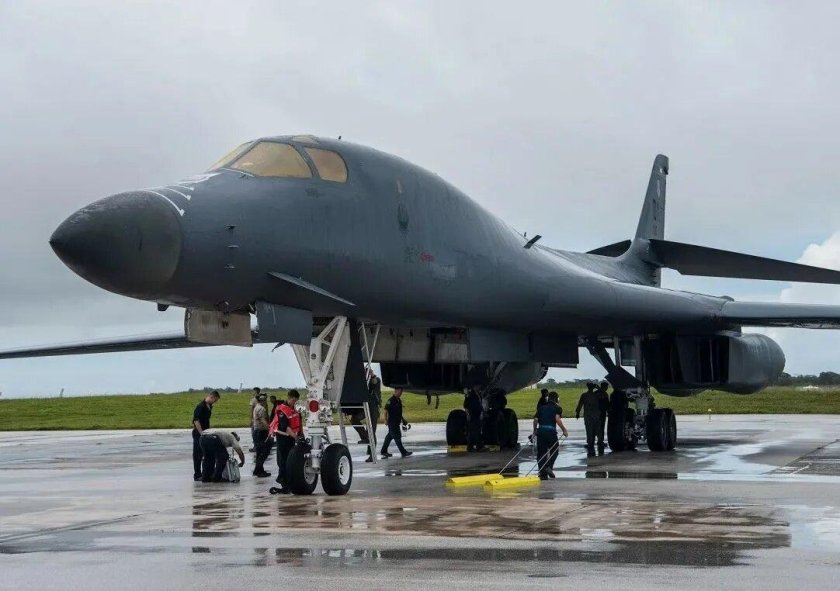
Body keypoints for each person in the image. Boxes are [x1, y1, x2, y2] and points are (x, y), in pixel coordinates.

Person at [269, 390, 302, 494]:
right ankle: (284, 483)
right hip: (283, 438)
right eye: (293, 400)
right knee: (283, 461)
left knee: (289, 461)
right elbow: (285, 427)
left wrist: (300, 435)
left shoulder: (293, 409)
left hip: (291, 438)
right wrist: (295, 437)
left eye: (296, 401)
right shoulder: (283, 410)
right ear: (289, 398)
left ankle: (287, 482)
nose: (294, 403)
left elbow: (298, 424)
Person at [534, 391, 568, 480]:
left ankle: (542, 473)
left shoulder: (541, 407)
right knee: (554, 450)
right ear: (556, 399)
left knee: (541, 453)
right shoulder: (557, 408)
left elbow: (535, 419)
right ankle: (548, 466)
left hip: (541, 431)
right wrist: (564, 430)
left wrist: (535, 431)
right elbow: (557, 419)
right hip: (551, 432)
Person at [191, 391, 220, 481]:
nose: (215, 402)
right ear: (211, 397)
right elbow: (196, 420)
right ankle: (197, 474)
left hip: (206, 433)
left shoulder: (209, 406)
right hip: (198, 434)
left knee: (207, 454)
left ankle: (207, 472)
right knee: (197, 455)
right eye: (215, 400)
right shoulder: (200, 406)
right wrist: (201, 433)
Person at [381, 387, 412, 458]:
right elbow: (385, 410)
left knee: (389, 436)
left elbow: (399, 412)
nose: (401, 393)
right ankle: (403, 452)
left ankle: (383, 451)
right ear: (396, 391)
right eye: (400, 392)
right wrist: (385, 420)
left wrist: (403, 420)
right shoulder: (391, 400)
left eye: (401, 392)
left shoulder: (399, 400)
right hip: (392, 422)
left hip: (396, 422)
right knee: (397, 437)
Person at [575, 381, 604, 454]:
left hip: (588, 416)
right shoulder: (597, 395)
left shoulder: (584, 395)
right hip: (596, 415)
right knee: (598, 430)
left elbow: (580, 404)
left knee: (589, 430)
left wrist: (577, 413)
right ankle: (600, 442)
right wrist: (598, 388)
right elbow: (603, 395)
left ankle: (590, 443)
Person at [251, 393, 272, 478]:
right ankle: (258, 470)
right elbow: (263, 420)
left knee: (259, 452)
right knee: (264, 452)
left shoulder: (256, 407)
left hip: (257, 431)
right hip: (261, 432)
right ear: (263, 400)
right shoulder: (261, 409)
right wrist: (270, 430)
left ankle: (259, 470)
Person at [365, 370, 383, 462]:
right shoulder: (365, 382)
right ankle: (365, 439)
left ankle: (372, 454)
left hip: (373, 409)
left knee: (371, 431)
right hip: (366, 408)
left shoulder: (376, 380)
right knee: (368, 431)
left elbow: (374, 382)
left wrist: (372, 375)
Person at [464, 388, 485, 452]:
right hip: (473, 414)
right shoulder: (471, 395)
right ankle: (475, 446)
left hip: (476, 414)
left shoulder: (477, 393)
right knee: (474, 430)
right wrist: (468, 414)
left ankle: (476, 445)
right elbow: (466, 405)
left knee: (476, 429)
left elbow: (479, 404)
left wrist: (481, 412)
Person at [596, 381, 611, 453]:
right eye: (606, 387)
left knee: (596, 427)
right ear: (604, 387)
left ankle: (596, 441)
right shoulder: (605, 394)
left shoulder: (596, 393)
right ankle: (600, 441)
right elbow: (607, 404)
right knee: (601, 427)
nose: (607, 388)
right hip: (602, 413)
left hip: (596, 413)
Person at [248, 387, 261, 452]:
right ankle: (259, 446)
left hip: (255, 418)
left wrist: (251, 419)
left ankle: (255, 447)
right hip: (261, 418)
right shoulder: (262, 399)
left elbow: (251, 410)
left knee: (254, 433)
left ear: (255, 391)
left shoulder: (253, 400)